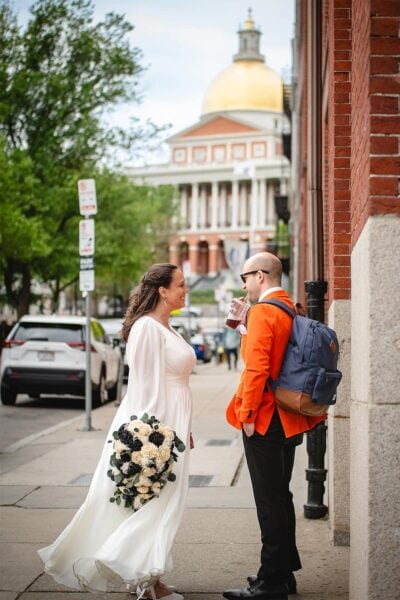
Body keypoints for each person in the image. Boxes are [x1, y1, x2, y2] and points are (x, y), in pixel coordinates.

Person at [38, 264, 197, 600]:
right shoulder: (147, 328)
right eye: (181, 285)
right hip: (156, 431)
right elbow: (144, 388)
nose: (186, 290)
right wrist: (154, 441)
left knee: (161, 504)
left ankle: (146, 576)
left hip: (174, 425)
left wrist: (186, 429)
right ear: (163, 291)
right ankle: (145, 580)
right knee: (154, 504)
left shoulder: (166, 327)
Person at [223, 253, 326, 600]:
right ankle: (283, 573)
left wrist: (248, 415)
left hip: (265, 418)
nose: (244, 286)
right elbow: (273, 354)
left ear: (261, 276)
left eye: (245, 278)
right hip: (287, 418)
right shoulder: (288, 308)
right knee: (281, 496)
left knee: (269, 501)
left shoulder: (263, 312)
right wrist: (242, 327)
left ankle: (271, 582)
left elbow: (257, 368)